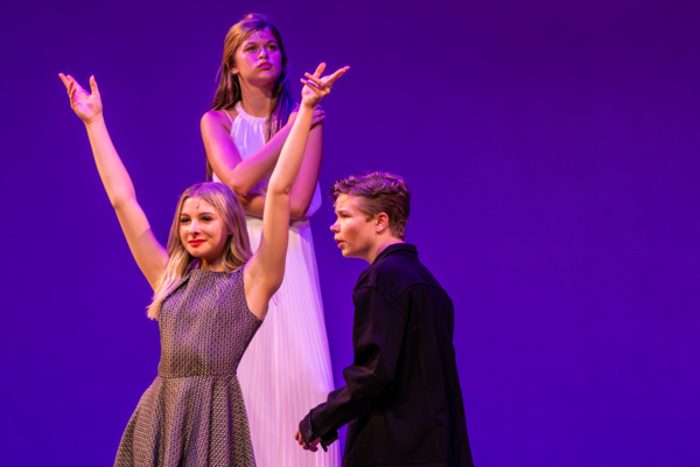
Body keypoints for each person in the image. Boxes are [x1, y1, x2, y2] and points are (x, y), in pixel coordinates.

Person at [58, 62, 347, 466]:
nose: (193, 229)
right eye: (186, 219)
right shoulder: (170, 278)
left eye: (206, 219)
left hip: (216, 421)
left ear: (231, 225)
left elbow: (280, 192)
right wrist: (94, 123)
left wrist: (304, 113)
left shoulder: (253, 281)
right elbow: (124, 200)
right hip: (160, 416)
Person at [200, 13, 340, 466]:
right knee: (242, 379)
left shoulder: (309, 118)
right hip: (237, 259)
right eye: (252, 48)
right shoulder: (216, 121)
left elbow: (296, 206)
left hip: (290, 256)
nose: (264, 54)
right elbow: (237, 177)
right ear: (233, 65)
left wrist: (234, 200)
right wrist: (288, 133)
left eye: (271, 47)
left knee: (303, 377)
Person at [295, 172, 475, 467]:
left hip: (393, 451)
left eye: (344, 215)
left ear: (380, 221)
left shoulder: (380, 279)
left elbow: (372, 374)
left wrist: (319, 420)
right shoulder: (430, 285)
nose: (334, 225)